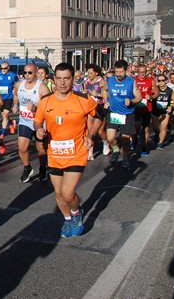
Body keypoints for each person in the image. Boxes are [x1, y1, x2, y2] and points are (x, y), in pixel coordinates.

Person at [34, 62, 101, 238]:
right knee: (58, 193)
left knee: (67, 192)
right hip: (55, 153)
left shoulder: (84, 99)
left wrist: (91, 135)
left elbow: (100, 115)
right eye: (59, 78)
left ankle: (76, 213)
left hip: (76, 152)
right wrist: (39, 128)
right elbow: (37, 120)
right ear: (54, 79)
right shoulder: (45, 101)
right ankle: (67, 218)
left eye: (67, 78)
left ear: (73, 79)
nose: (63, 83)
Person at [12, 64, 51, 182]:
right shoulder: (19, 85)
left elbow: (49, 107)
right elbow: (15, 95)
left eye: (30, 73)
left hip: (39, 122)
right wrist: (15, 105)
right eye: (25, 73)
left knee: (41, 149)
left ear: (36, 73)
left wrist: (35, 107)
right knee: (22, 148)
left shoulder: (42, 87)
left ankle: (43, 168)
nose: (27, 75)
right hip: (25, 121)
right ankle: (27, 167)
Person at [102, 60, 142, 170]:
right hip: (114, 112)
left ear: (126, 70)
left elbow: (139, 97)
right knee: (110, 138)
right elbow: (104, 90)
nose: (118, 74)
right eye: (116, 72)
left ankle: (125, 158)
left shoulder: (131, 82)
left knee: (125, 139)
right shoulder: (110, 80)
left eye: (121, 72)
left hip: (127, 114)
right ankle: (115, 149)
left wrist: (132, 101)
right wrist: (106, 101)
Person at [84, 63, 111, 159]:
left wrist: (98, 94)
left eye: (91, 73)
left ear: (96, 73)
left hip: (100, 107)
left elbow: (108, 95)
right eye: (88, 73)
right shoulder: (87, 81)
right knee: (90, 130)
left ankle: (106, 144)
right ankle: (90, 151)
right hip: (90, 107)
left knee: (100, 130)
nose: (89, 75)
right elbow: (84, 91)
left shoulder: (102, 82)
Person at [133, 64, 157, 156]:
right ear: (137, 72)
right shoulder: (133, 80)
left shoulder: (151, 80)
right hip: (136, 107)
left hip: (147, 108)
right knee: (137, 125)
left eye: (144, 72)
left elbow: (156, 93)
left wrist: (151, 97)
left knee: (146, 128)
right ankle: (135, 139)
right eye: (140, 72)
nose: (142, 74)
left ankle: (144, 147)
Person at [0, 61, 19, 138]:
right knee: (4, 115)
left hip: (9, 97)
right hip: (0, 98)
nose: (3, 70)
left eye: (5, 68)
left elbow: (17, 84)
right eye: (2, 68)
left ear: (8, 68)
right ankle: (11, 123)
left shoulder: (13, 75)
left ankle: (2, 134)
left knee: (5, 115)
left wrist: (15, 91)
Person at [151, 75, 174, 150]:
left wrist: (171, 107)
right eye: (159, 81)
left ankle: (160, 143)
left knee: (164, 128)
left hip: (165, 112)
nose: (161, 82)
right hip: (155, 112)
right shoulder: (155, 90)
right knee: (156, 128)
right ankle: (157, 133)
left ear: (166, 81)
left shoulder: (170, 91)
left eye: (163, 80)